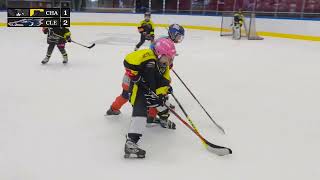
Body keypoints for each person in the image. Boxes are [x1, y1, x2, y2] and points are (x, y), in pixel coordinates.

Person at [106, 24, 185, 128]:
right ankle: (114, 109)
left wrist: (167, 65)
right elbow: (152, 58)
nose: (179, 39)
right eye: (178, 36)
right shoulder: (160, 44)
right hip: (136, 76)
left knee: (156, 93)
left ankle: (150, 116)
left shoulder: (166, 43)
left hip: (148, 73)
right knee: (131, 95)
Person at [124, 38, 176, 158]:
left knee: (164, 105)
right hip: (139, 92)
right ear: (159, 53)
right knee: (140, 115)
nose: (171, 60)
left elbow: (164, 81)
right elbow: (128, 59)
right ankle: (131, 143)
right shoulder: (148, 56)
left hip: (152, 92)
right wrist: (134, 75)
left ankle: (163, 120)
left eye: (172, 57)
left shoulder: (164, 67)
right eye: (169, 57)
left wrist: (163, 93)